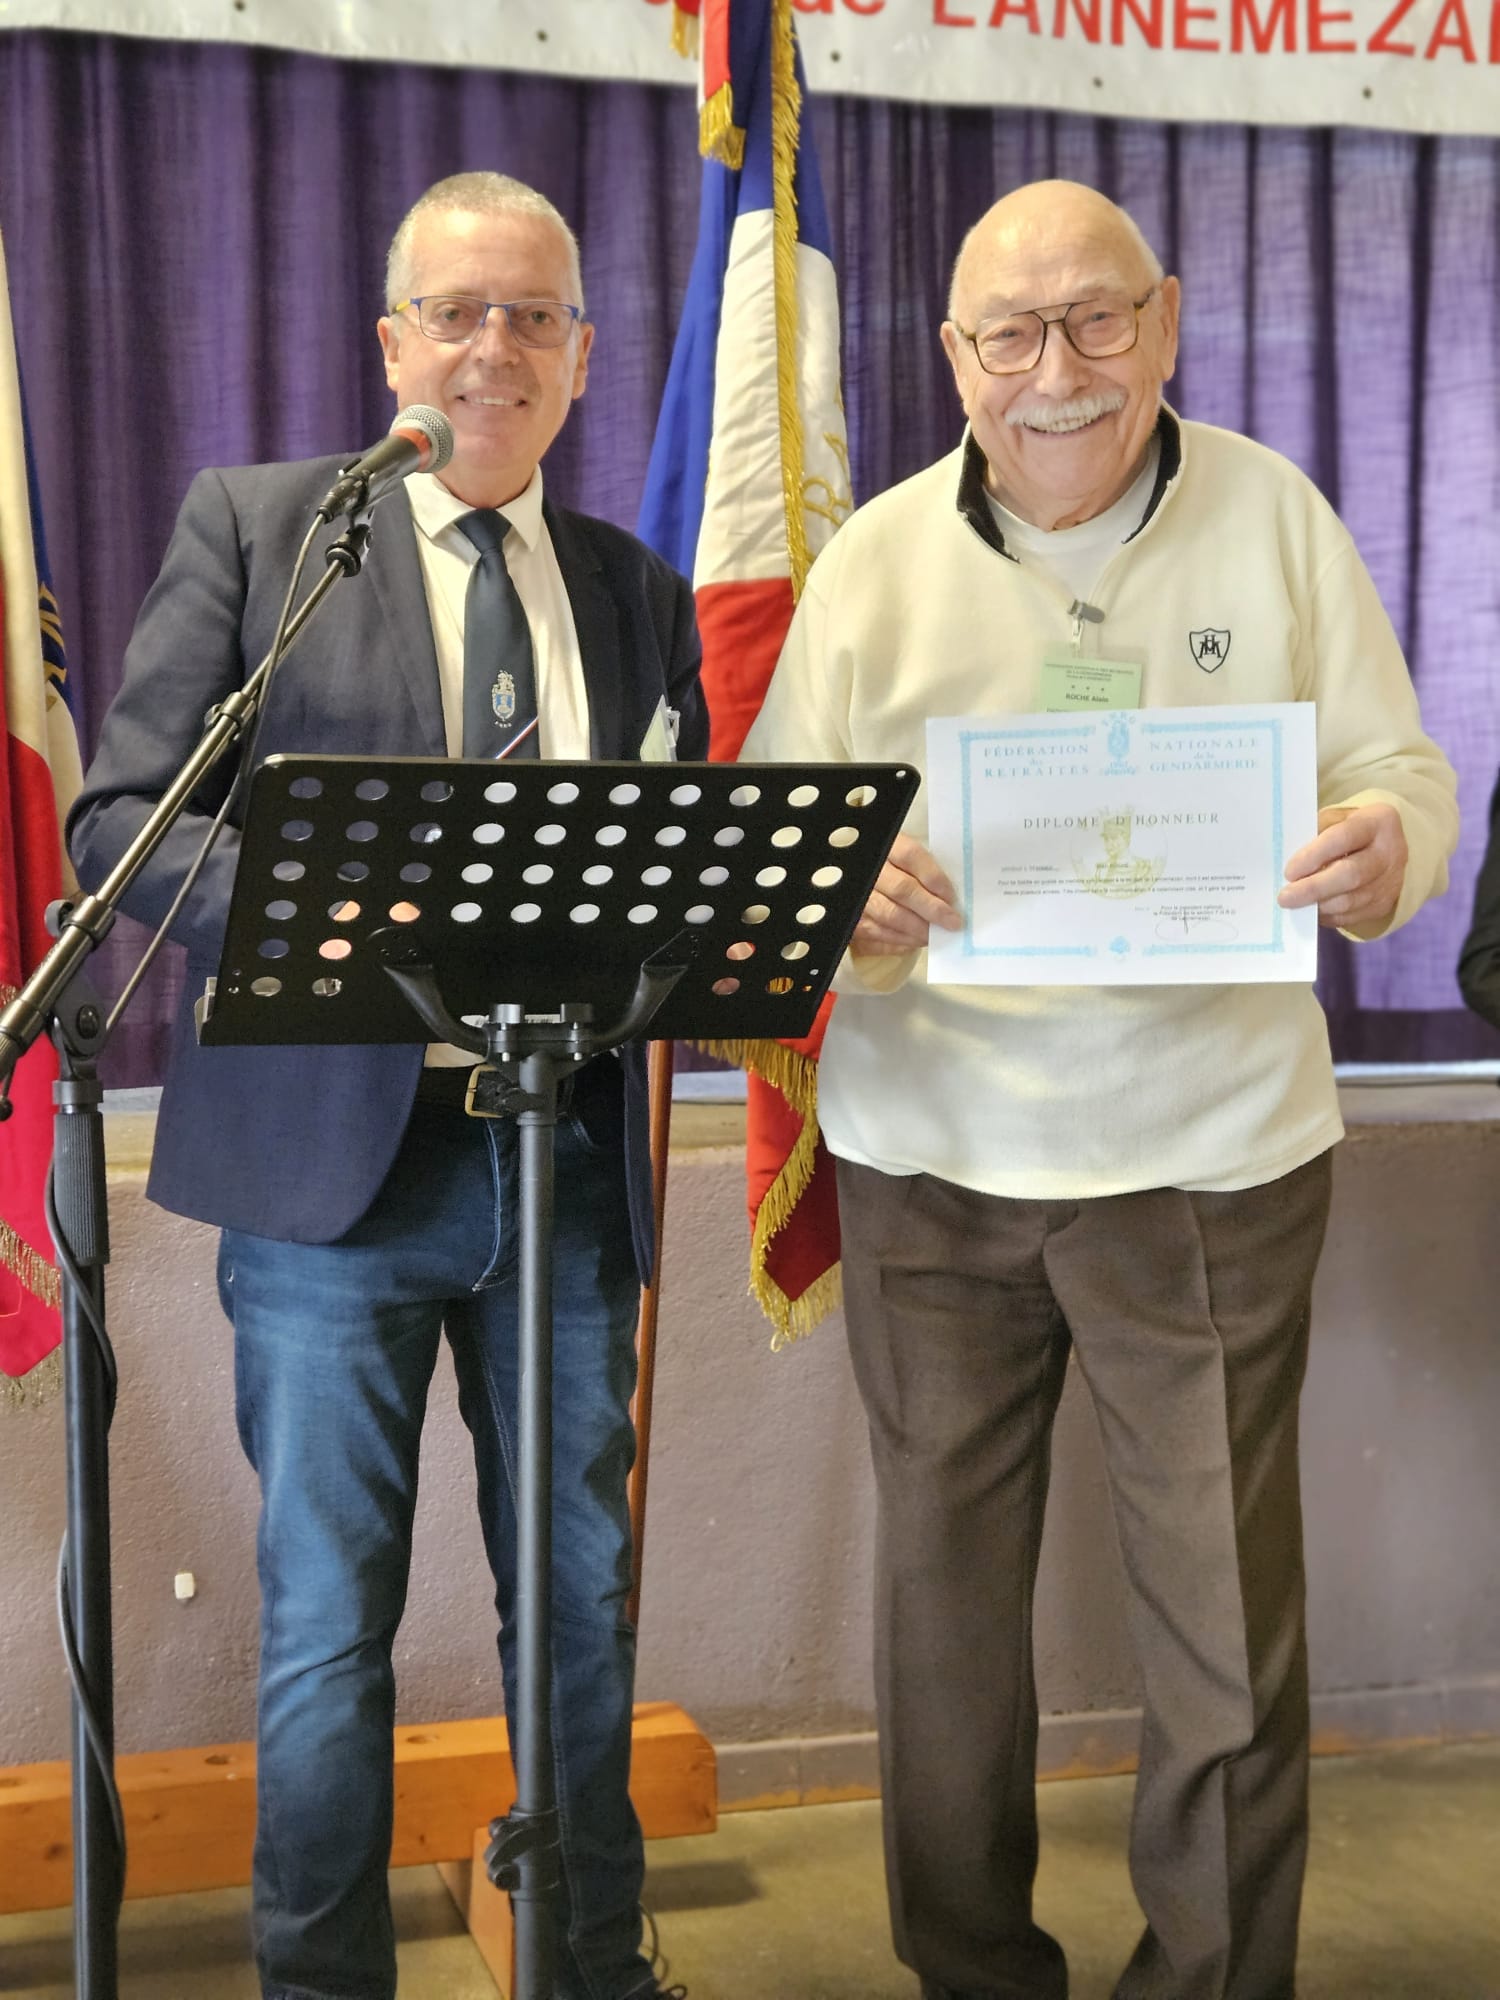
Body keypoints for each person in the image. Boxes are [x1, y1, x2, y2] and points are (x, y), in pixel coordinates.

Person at [743, 179, 1458, 2000]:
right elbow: (770, 839)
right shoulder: (871, 561)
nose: (1054, 371)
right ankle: (971, 1971)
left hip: (1209, 1159)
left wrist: (1388, 848)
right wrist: (841, 893)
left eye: (1096, 320)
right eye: (1011, 332)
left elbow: (1399, 768)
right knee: (946, 1618)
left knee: (1224, 1621)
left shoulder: (1278, 518)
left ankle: (1213, 1981)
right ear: (953, 355)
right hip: (930, 1155)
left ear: (1168, 320)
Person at [68, 173, 703, 2000]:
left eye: (533, 317)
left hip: (563, 1166)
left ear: (582, 355)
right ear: (392, 345)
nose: (494, 347)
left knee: (578, 1610)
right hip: (331, 1180)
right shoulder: (271, 531)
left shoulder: (636, 591)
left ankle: (592, 1967)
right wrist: (324, 918)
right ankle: (322, 1983)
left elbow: (670, 871)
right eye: (457, 311)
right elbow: (122, 821)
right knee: (328, 1627)